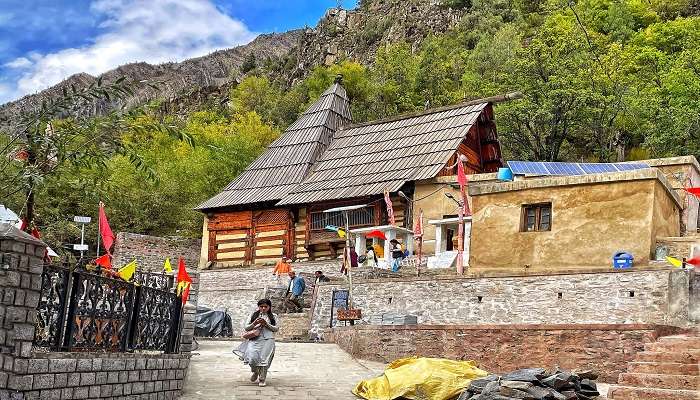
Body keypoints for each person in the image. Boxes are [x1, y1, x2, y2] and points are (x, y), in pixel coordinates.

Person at [239, 299, 279, 387]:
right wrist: (254, 323)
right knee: (252, 358)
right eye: (261, 306)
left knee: (264, 360)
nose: (264, 308)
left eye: (266, 307)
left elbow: (276, 329)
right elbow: (246, 328)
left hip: (268, 340)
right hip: (255, 339)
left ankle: (262, 378)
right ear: (258, 307)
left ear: (269, 307)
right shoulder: (253, 315)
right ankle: (256, 371)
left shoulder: (273, 316)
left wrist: (266, 324)